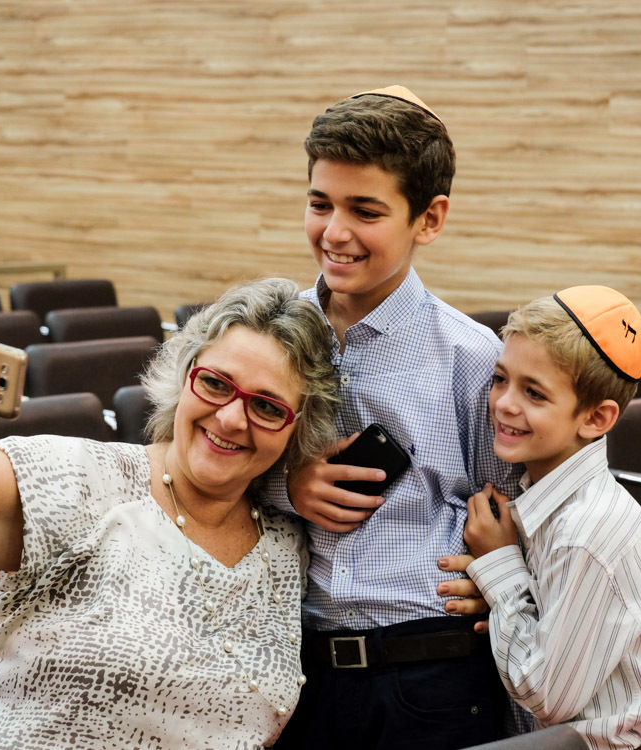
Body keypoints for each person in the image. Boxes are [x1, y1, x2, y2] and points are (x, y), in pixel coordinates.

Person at [0, 277, 339, 749]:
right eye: (215, 383)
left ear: (300, 428)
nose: (231, 417)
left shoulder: (284, 543)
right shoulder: (78, 479)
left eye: (268, 408)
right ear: (184, 376)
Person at [268, 86, 522, 749]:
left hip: (430, 667)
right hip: (296, 666)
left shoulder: (472, 357)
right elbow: (196, 468)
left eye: (366, 210)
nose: (335, 232)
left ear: (428, 219)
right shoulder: (267, 336)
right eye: (319, 203)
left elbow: (508, 508)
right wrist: (286, 487)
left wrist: (495, 574)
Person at [462, 286, 641, 750]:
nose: (504, 404)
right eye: (499, 379)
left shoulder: (584, 532)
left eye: (534, 393)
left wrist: (500, 565)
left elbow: (548, 694)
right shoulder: (550, 500)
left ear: (595, 418)